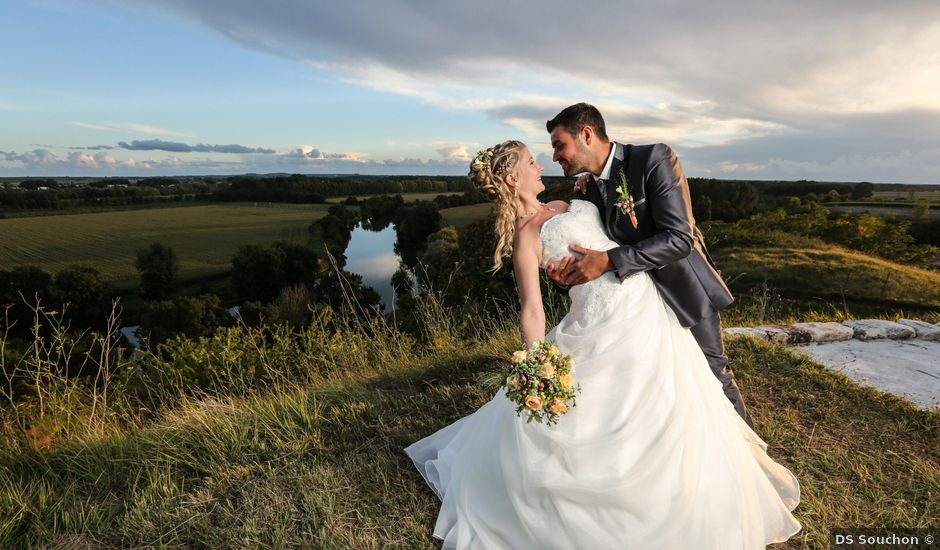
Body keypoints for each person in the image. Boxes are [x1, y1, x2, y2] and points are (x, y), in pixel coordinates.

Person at [404, 139, 801, 549]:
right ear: (511, 178)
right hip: (598, 320)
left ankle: (697, 483)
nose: (541, 165)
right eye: (529, 162)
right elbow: (533, 309)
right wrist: (538, 362)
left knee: (677, 396)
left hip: (647, 305)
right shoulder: (526, 236)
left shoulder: (565, 202)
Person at [546, 102, 753, 427]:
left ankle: (749, 455)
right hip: (634, 310)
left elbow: (679, 239)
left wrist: (610, 261)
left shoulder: (654, 158)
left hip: (682, 291)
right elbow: (593, 246)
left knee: (712, 374)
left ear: (586, 134)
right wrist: (564, 278)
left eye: (560, 145)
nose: (555, 156)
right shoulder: (587, 189)